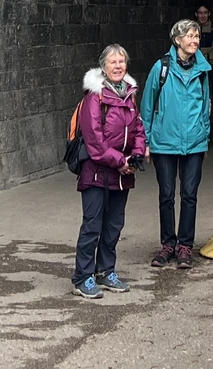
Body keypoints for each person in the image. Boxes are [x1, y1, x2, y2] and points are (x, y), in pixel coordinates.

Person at [73, 44, 147, 299]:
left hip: (121, 173)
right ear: (103, 66)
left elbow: (138, 127)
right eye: (113, 62)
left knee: (114, 225)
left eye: (122, 61)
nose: (118, 66)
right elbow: (94, 140)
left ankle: (106, 271)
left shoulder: (129, 94)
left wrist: (136, 155)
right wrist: (121, 161)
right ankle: (83, 276)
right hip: (96, 173)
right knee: (93, 225)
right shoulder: (95, 96)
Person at [138, 17, 212, 270]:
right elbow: (147, 107)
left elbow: (206, 107)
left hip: (193, 142)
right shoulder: (161, 68)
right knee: (166, 195)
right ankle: (168, 243)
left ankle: (185, 246)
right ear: (177, 39)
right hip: (164, 142)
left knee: (189, 195)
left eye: (197, 36)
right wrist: (145, 141)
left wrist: (204, 136)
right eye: (190, 36)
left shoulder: (202, 71)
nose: (194, 40)